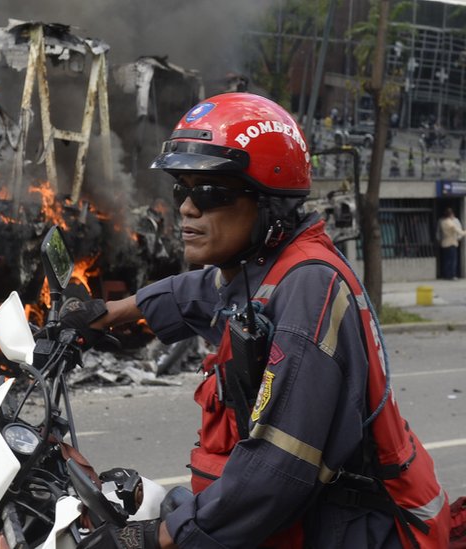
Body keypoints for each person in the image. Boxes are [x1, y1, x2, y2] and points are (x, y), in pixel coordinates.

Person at [62, 93, 450, 548]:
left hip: (347, 531)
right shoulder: (264, 269)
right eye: (182, 190)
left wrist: (155, 538)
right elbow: (201, 291)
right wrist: (105, 315)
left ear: (269, 203)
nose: (187, 208)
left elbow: (277, 468)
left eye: (209, 193)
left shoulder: (309, 289)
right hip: (305, 519)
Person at [438, 207, 465, 280]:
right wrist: (464, 232)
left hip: (444, 243)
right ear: (451, 214)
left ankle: (446, 274)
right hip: (451, 243)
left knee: (446, 260)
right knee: (452, 260)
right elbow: (458, 231)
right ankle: (452, 275)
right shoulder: (450, 222)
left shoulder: (442, 221)